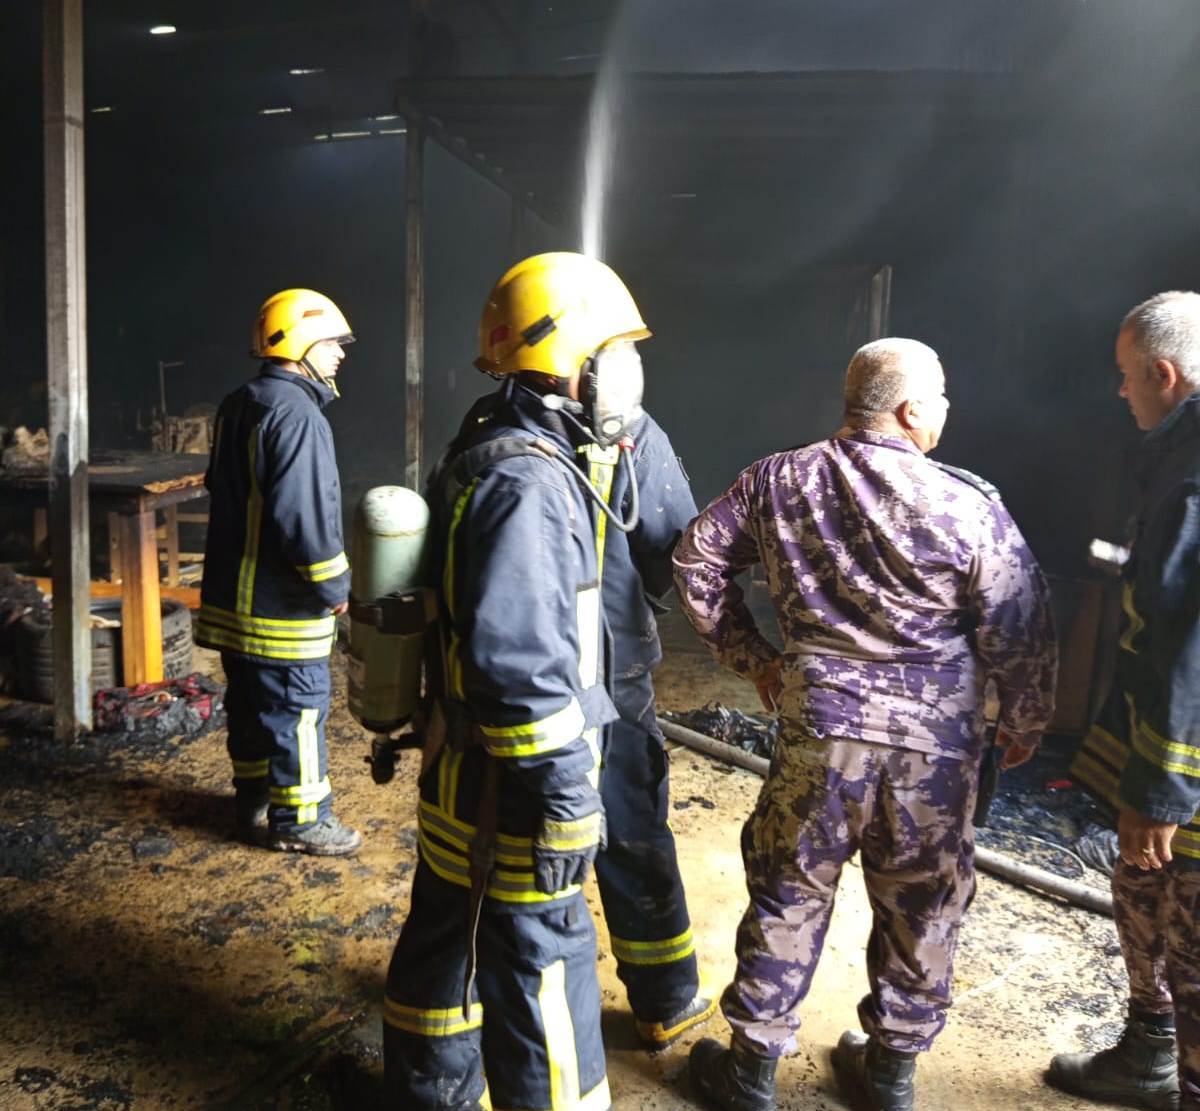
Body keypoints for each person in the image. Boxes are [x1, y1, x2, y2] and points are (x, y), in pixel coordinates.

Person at [673, 338, 1057, 1111]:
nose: (946, 407)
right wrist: (1024, 716)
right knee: (924, 902)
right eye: (940, 394)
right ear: (911, 409)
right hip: (934, 748)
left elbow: (696, 561)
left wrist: (756, 659)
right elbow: (1020, 619)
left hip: (820, 729)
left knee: (790, 887)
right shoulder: (968, 504)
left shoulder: (778, 479)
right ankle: (889, 1073)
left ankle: (750, 1072)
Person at [382, 252, 653, 1110]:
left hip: (462, 773)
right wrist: (568, 795)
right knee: (542, 964)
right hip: (515, 791)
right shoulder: (528, 481)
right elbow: (523, 669)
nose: (629, 372)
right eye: (615, 351)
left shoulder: (496, 442)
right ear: (571, 360)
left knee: (445, 939)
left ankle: (428, 1090)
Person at [451, 368, 714, 1049]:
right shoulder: (627, 429)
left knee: (512, 836)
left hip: (511, 681)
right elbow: (674, 546)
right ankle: (665, 995)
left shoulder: (487, 425)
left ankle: (480, 994)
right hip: (610, 669)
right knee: (632, 824)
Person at [1049, 291, 1200, 1111]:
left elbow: (1190, 640)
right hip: (1160, 722)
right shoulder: (1178, 452)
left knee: (1190, 926)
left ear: (1163, 374)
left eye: (1126, 375)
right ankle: (1148, 1051)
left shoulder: (1193, 478)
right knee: (1141, 885)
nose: (1120, 391)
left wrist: (1161, 789)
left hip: (1189, 746)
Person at [196, 288, 361, 857]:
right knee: (297, 710)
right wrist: (334, 586)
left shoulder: (238, 403)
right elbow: (305, 516)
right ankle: (302, 821)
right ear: (300, 344)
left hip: (233, 605)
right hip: (279, 611)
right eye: (332, 342)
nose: (341, 353)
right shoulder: (298, 415)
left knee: (248, 706)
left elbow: (224, 490)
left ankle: (254, 803)